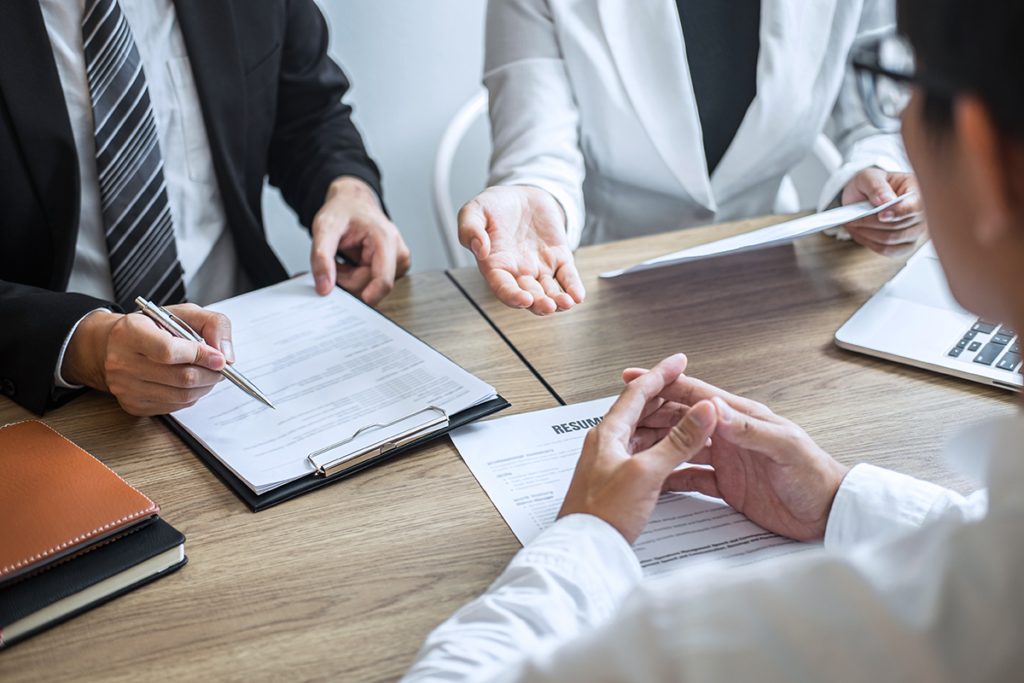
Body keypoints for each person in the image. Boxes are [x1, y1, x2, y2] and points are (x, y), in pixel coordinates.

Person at [402, 0, 1024, 679]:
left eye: (903, 84)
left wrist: (590, 532)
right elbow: (984, 542)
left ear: (984, 153)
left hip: (778, 304)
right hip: (605, 291)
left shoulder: (738, 634)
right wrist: (843, 496)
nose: (897, 118)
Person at [0, 0, 410, 416]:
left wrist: (348, 191)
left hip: (244, 345)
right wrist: (84, 345)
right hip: (52, 394)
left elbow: (309, 114)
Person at [458, 0, 929, 316]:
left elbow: (876, 120)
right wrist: (531, 193)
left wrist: (878, 175)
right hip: (597, 290)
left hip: (780, 282)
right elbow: (538, 150)